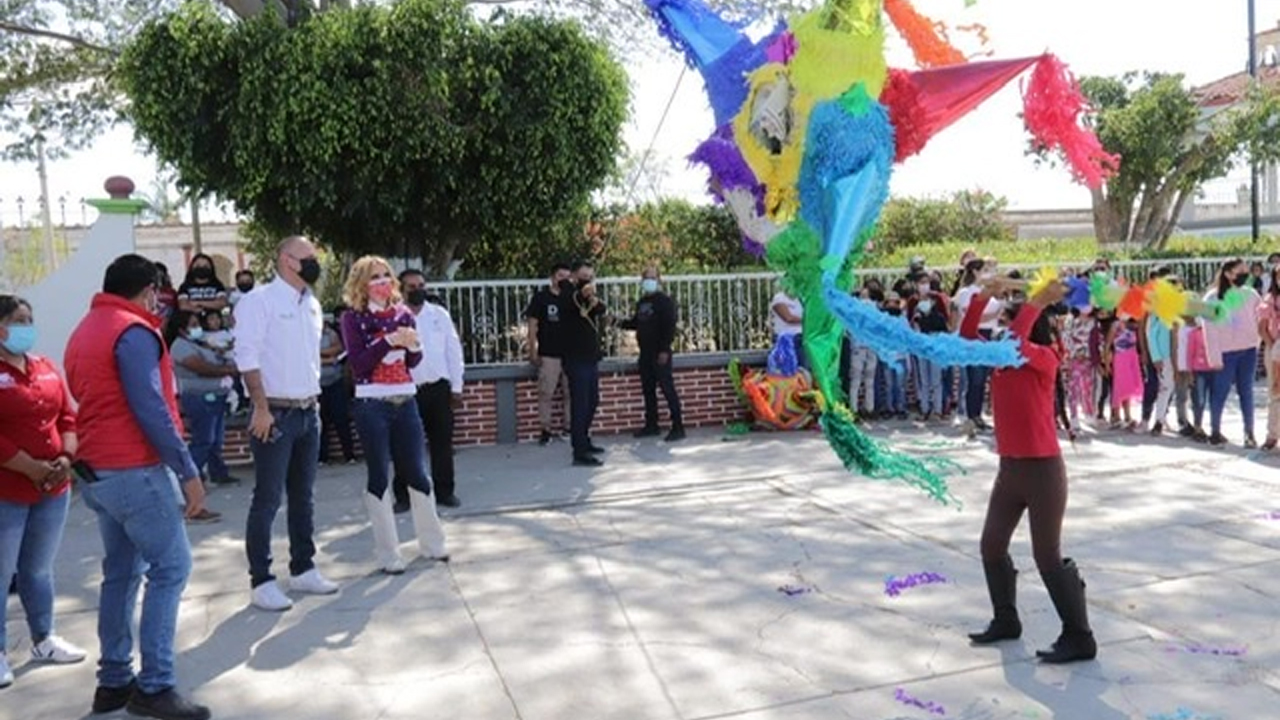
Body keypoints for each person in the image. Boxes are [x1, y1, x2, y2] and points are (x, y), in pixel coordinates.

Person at [64, 254, 212, 719]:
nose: (160, 299)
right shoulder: (132, 332)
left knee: (122, 574)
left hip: (100, 471)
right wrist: (188, 471)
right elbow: (150, 408)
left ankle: (113, 682)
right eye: (157, 291)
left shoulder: (86, 328)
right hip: (133, 469)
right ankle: (155, 686)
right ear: (148, 289)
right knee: (171, 568)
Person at [961, 275, 1096, 665]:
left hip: (1042, 474)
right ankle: (1006, 620)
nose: (1001, 330)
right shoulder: (1002, 361)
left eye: (1006, 322)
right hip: (1010, 471)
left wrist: (1035, 301)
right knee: (991, 546)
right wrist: (982, 296)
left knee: (1046, 556)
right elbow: (968, 338)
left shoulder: (1043, 356)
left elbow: (1019, 343)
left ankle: (1079, 636)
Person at [233, 236, 339, 611]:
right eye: (307, 257)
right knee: (267, 498)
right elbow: (246, 356)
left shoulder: (311, 304)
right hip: (274, 413)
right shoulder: (258, 301)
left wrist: (315, 405)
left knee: (303, 497)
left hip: (309, 411)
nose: (314, 263)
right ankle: (261, 580)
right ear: (285, 260)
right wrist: (260, 407)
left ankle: (303, 567)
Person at [340, 257, 448, 574]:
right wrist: (387, 341)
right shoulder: (353, 319)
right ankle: (388, 553)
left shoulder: (404, 314)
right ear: (362, 283)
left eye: (386, 275)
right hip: (372, 404)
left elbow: (413, 362)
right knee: (378, 475)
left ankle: (432, 542)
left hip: (406, 399)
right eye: (375, 277)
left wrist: (412, 345)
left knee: (417, 471)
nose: (383, 281)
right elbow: (359, 364)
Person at [0, 295, 87, 689]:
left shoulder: (44, 367)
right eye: (19, 320)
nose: (27, 327)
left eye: (30, 319)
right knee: (3, 572)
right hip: (8, 487)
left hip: (54, 486)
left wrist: (66, 458)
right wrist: (30, 467)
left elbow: (67, 415)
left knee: (37, 568)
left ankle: (43, 638)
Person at [397, 268, 465, 509]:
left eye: (421, 285)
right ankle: (404, 496)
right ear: (401, 289)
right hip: (406, 391)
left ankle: (445, 492)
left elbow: (453, 351)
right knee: (405, 445)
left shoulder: (439, 315)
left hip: (438, 389)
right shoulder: (395, 317)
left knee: (442, 444)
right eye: (412, 287)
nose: (418, 291)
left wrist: (457, 386)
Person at [165, 310, 241, 490]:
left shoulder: (200, 343)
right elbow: (201, 368)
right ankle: (189, 478)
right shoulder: (180, 346)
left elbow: (218, 358)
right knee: (204, 439)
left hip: (218, 396)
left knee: (216, 440)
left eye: (197, 324)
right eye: (192, 325)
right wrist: (229, 370)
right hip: (200, 398)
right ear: (182, 329)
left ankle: (218, 473)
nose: (198, 328)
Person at [1203, 258, 1262, 447]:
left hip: (1248, 351)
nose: (1245, 274)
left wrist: (1256, 343)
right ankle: (1215, 431)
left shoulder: (1251, 294)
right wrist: (1214, 357)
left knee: (1246, 392)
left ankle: (1249, 433)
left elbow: (1259, 319)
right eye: (1240, 270)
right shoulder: (1212, 298)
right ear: (1228, 273)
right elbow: (1208, 329)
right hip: (1225, 353)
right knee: (1219, 392)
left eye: (1245, 270)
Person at [621, 267, 684, 442]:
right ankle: (651, 424)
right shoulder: (642, 302)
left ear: (659, 280)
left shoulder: (665, 301)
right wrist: (619, 322)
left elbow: (669, 326)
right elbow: (637, 323)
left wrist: (664, 349)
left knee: (667, 389)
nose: (649, 281)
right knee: (648, 390)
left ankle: (678, 426)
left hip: (660, 352)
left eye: (652, 277)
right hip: (645, 352)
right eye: (646, 278)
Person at [561, 260, 608, 467]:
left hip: (590, 358)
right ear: (574, 276)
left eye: (590, 276)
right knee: (580, 405)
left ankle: (584, 440)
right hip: (575, 358)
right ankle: (578, 451)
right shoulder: (566, 292)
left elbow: (601, 309)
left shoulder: (588, 294)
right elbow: (573, 302)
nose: (587, 280)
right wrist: (583, 293)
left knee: (592, 401)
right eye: (584, 276)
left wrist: (592, 297)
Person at [525, 263, 574, 445]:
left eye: (567, 277)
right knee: (546, 393)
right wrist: (532, 350)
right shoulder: (541, 298)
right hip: (548, 354)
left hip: (570, 354)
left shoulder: (572, 298)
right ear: (553, 277)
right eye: (561, 276)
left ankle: (569, 428)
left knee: (571, 393)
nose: (564, 281)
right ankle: (545, 430)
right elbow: (532, 325)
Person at [952, 258, 1001, 434]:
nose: (989, 272)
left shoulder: (986, 291)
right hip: (974, 335)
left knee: (982, 380)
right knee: (975, 378)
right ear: (975, 272)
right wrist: (992, 315)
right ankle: (971, 415)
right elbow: (971, 315)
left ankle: (978, 414)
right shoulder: (967, 292)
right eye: (985, 269)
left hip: (989, 335)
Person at [908, 275, 950, 422]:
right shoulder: (913, 301)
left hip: (935, 338)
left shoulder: (937, 299)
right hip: (920, 339)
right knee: (924, 378)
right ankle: (925, 409)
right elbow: (909, 321)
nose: (923, 286)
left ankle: (938, 410)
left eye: (926, 283)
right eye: (921, 283)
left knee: (936, 378)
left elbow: (945, 319)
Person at [317, 311, 357, 467]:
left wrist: (321, 357)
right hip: (318, 385)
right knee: (322, 422)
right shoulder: (305, 334)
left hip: (335, 382)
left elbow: (338, 349)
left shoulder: (331, 333)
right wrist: (328, 359)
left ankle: (349, 455)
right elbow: (309, 356)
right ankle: (322, 458)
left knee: (342, 419)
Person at [1062, 306, 1096, 436]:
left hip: (1087, 359)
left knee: (1087, 387)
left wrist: (1090, 354)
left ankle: (1088, 412)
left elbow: (1094, 340)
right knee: (1073, 388)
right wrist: (1073, 353)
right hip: (1073, 358)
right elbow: (1066, 337)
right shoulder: (1070, 319)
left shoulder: (1093, 321)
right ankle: (1074, 416)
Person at [1104, 315, 1142, 430]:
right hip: (1120, 359)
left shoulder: (1133, 325)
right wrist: (1106, 363)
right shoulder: (1115, 325)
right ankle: (1116, 416)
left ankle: (1127, 416)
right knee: (1119, 387)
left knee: (1128, 388)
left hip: (1132, 358)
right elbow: (1108, 344)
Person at [1257, 265, 1280, 450]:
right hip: (1275, 350)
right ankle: (1272, 435)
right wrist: (1274, 348)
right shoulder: (1270, 299)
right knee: (1275, 391)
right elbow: (1262, 328)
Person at [769, 288, 804, 367]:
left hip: (801, 336)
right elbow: (788, 318)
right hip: (786, 338)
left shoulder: (800, 300)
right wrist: (808, 320)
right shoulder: (779, 298)